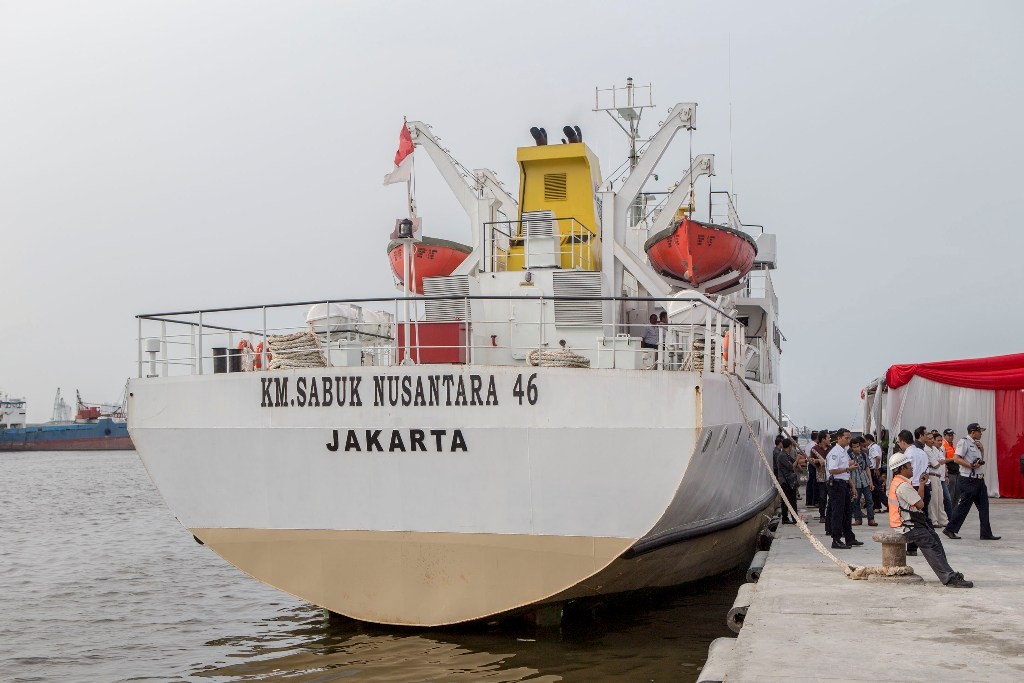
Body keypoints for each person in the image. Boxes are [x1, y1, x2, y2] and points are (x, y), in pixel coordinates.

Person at [887, 452, 973, 588]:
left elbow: (917, 501)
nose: (912, 467)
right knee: (930, 544)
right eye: (909, 465)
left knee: (935, 540)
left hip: (911, 522)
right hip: (907, 524)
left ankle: (948, 572)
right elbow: (920, 504)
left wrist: (921, 484)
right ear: (902, 468)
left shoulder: (901, 482)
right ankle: (949, 577)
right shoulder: (902, 486)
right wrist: (920, 492)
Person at [944, 423, 1001, 541]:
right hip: (968, 479)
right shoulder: (964, 442)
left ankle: (986, 533)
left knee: (984, 507)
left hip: (979, 479)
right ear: (973, 432)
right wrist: (970, 465)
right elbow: (956, 458)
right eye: (979, 431)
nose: (981, 434)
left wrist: (982, 450)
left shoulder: (976, 444)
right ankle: (950, 529)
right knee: (964, 507)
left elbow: (979, 461)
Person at [825, 427, 862, 549]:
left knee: (847, 512)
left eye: (849, 438)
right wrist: (848, 468)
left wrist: (852, 486)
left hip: (844, 483)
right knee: (838, 512)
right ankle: (836, 539)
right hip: (836, 484)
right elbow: (832, 470)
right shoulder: (835, 452)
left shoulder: (844, 451)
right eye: (846, 438)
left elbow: (846, 472)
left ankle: (849, 537)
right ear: (839, 438)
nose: (848, 440)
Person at [924, 430, 949, 527]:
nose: (931, 441)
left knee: (940, 499)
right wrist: (938, 462)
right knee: (934, 500)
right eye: (929, 439)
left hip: (939, 476)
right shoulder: (926, 450)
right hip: (932, 475)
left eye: (931, 439)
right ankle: (934, 520)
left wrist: (938, 462)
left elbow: (942, 460)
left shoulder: (936, 449)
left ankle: (943, 520)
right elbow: (935, 465)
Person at [849, 436, 876, 526]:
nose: (857, 448)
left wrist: (871, 481)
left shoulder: (864, 455)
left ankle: (871, 519)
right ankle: (858, 519)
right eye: (855, 447)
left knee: (869, 500)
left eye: (858, 446)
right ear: (851, 448)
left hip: (865, 480)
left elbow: (867, 468)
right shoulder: (848, 457)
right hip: (855, 481)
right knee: (856, 501)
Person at [775, 438, 799, 524]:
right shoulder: (782, 456)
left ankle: (795, 518)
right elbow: (791, 467)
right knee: (786, 500)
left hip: (789, 480)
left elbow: (793, 462)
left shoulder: (786, 455)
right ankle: (785, 518)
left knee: (792, 500)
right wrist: (797, 459)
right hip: (785, 481)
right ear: (790, 446)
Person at [809, 431, 830, 524]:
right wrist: (817, 460)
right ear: (823, 439)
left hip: (831, 475)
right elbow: (811, 460)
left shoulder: (831, 449)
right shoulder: (814, 449)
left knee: (832, 496)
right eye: (828, 438)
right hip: (821, 475)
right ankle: (822, 515)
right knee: (822, 496)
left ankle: (830, 514)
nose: (830, 439)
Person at [864, 433, 885, 512]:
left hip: (874, 469)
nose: (864, 443)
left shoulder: (873, 448)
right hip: (874, 469)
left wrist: (876, 468)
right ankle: (877, 505)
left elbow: (878, 457)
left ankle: (877, 506)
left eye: (865, 441)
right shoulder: (875, 446)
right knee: (875, 488)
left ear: (869, 440)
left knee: (876, 488)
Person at [942, 428, 960, 508]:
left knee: (956, 494)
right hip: (950, 473)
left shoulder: (952, 445)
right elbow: (942, 460)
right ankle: (949, 513)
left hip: (956, 472)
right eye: (949, 435)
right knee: (950, 495)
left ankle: (954, 512)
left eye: (952, 435)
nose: (951, 437)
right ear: (944, 435)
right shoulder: (943, 446)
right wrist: (953, 459)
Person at [804, 430, 819, 506]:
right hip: (813, 465)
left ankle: (809, 501)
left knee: (810, 483)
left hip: (810, 465)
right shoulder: (814, 446)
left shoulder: (808, 445)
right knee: (814, 483)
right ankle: (814, 501)